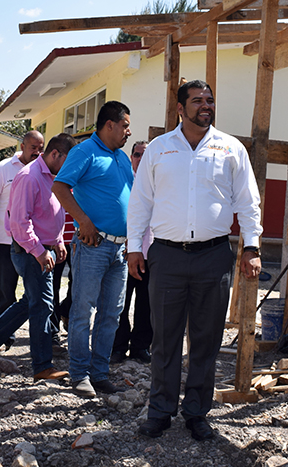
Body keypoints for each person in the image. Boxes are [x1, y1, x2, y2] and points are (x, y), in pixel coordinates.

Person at [127, 80, 262, 442]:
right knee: (165, 339)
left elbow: (248, 201)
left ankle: (197, 412)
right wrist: (134, 248)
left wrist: (252, 246)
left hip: (214, 257)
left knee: (206, 339)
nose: (206, 105)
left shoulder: (230, 148)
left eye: (210, 100)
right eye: (198, 100)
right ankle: (160, 411)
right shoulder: (159, 149)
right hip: (167, 256)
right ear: (180, 109)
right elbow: (140, 201)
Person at [0, 134, 76, 381]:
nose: (71, 168)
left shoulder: (53, 176)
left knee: (31, 302)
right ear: (55, 154)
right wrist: (40, 251)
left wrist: (58, 241)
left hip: (43, 248)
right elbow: (19, 223)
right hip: (29, 251)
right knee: (42, 306)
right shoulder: (29, 176)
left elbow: (54, 213)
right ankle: (41, 366)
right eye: (68, 161)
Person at [52, 101, 133, 398]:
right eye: (125, 125)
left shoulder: (122, 158)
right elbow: (60, 187)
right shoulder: (85, 151)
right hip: (92, 246)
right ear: (109, 124)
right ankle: (79, 373)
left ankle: (99, 373)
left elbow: (131, 199)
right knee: (82, 310)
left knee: (111, 313)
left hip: (121, 250)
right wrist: (83, 220)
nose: (128, 131)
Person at [0, 131, 44, 321]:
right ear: (22, 146)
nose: (37, 153)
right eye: (33, 148)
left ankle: (40, 335)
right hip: (6, 241)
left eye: (41, 149)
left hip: (35, 243)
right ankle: (3, 336)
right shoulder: (3, 168)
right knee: (6, 290)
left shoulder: (44, 170)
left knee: (36, 292)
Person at [111, 140, 152, 364]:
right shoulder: (123, 182)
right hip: (124, 254)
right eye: (137, 155)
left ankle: (140, 347)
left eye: (145, 155)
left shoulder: (159, 184)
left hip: (150, 254)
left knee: (146, 304)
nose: (140, 159)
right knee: (120, 304)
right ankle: (118, 347)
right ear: (131, 158)